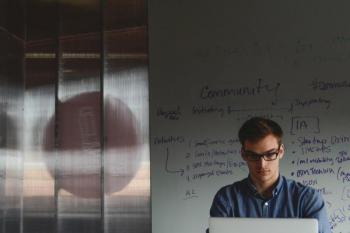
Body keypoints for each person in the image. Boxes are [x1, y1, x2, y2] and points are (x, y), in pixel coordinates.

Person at [208, 117, 331, 233]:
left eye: (270, 154)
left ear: (281, 151)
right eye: (254, 156)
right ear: (244, 154)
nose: (262, 164)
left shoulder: (307, 199)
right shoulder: (226, 199)